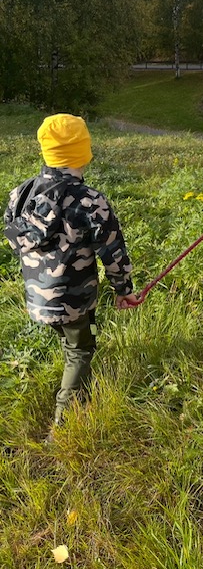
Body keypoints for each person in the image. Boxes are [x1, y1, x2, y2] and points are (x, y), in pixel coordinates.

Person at [4, 113, 140, 439]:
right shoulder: (90, 201)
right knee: (80, 351)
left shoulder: (21, 194)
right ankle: (63, 425)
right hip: (74, 301)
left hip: (37, 299)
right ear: (83, 152)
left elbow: (13, 237)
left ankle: (77, 380)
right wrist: (123, 290)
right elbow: (113, 253)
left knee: (74, 341)